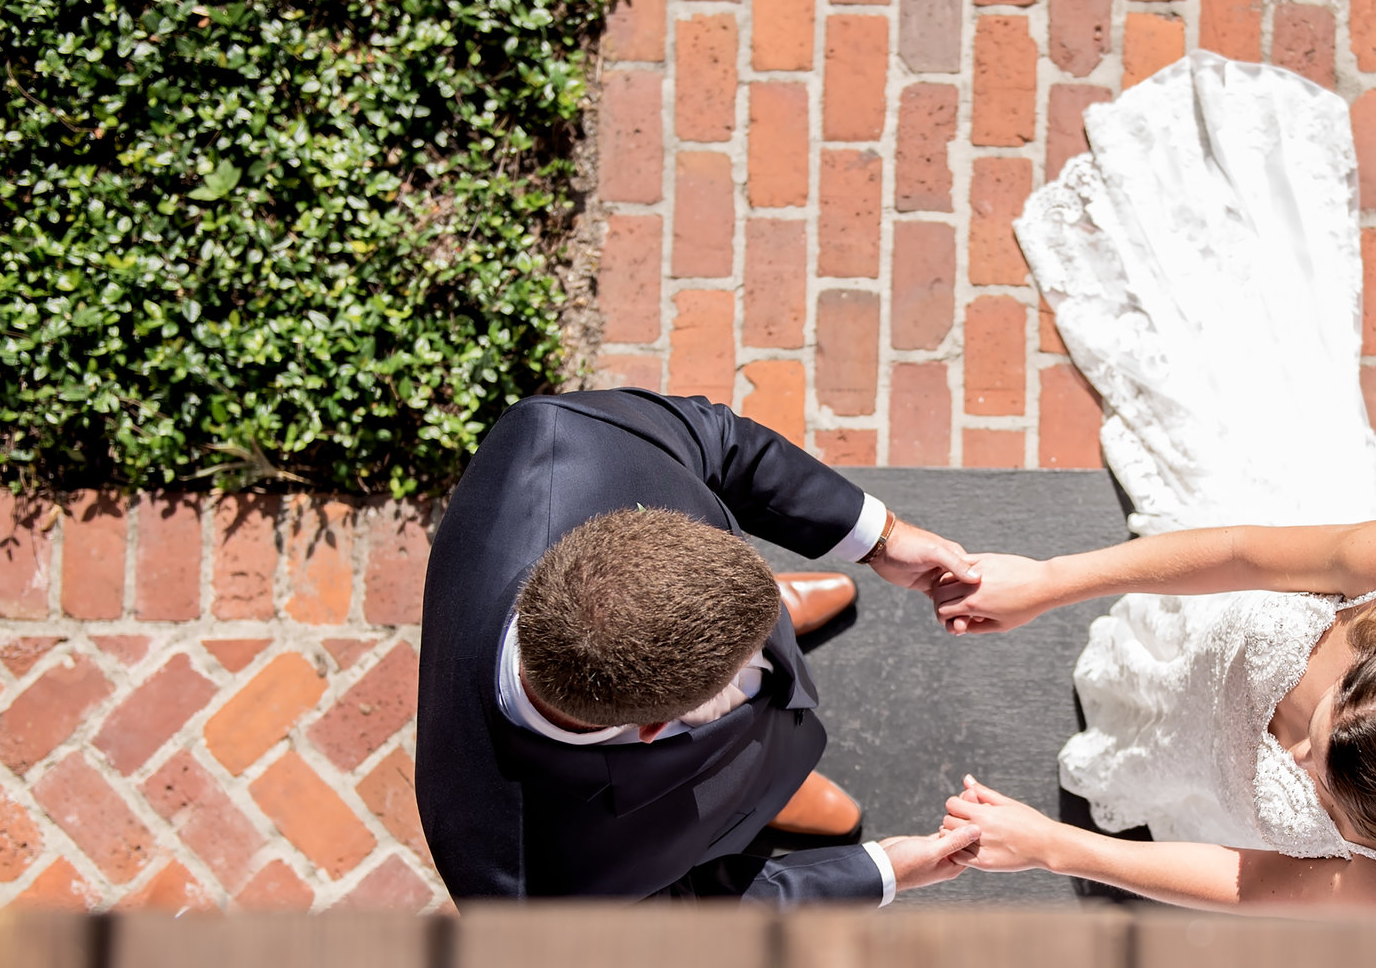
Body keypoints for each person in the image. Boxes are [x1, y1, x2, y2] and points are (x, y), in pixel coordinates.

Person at [924, 53, 1376, 913]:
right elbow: (1237, 548)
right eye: (1322, 730)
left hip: (1206, 771)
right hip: (1219, 632)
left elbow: (1265, 879)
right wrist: (1048, 583)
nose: (1294, 760)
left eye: (1322, 789)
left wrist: (1053, 847)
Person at [415, 387, 984, 905]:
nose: (770, 655)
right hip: (691, 810)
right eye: (745, 664)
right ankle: (755, 800)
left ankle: (762, 724)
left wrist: (880, 538)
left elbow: (722, 441)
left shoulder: (567, 433)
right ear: (654, 730)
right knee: (738, 792)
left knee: (756, 644)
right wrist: (883, 871)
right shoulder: (533, 892)